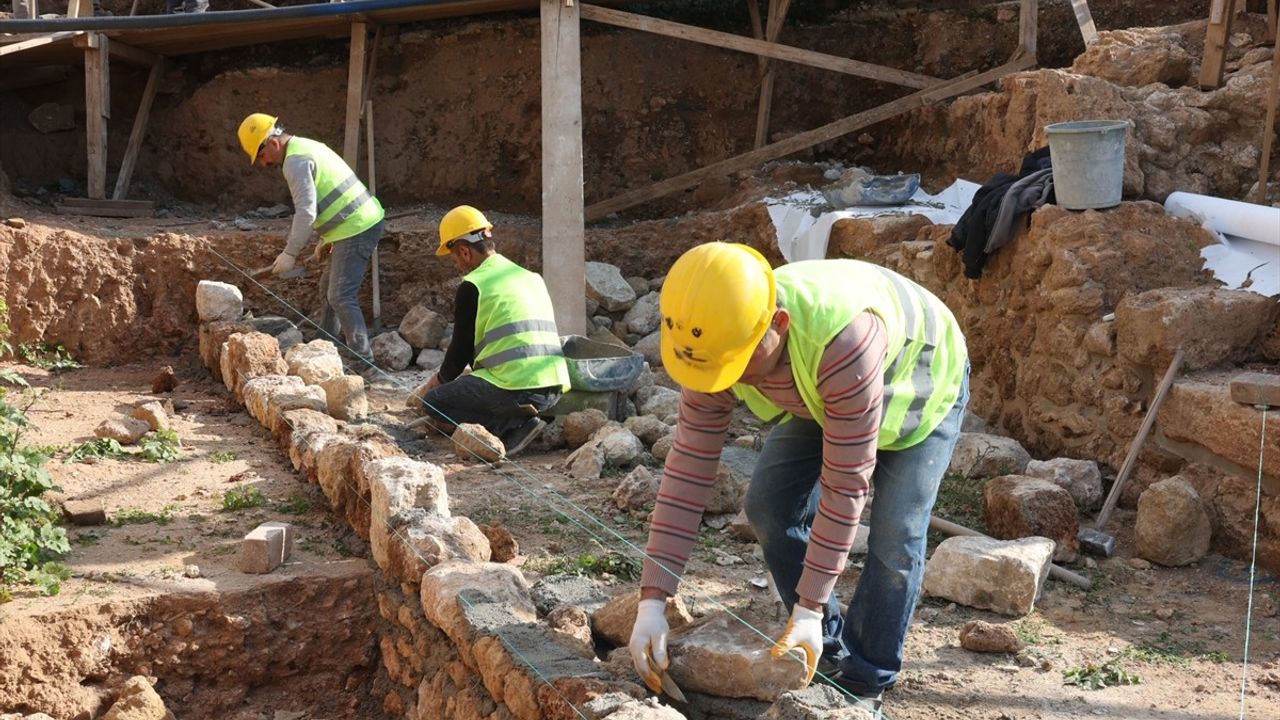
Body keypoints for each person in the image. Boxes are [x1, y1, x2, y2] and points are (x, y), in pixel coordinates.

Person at [628, 242, 969, 715]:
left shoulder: (843, 342)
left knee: (896, 535)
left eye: (739, 365)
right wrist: (653, 599)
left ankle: (865, 678)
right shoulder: (715, 343)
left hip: (918, 381)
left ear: (778, 325)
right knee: (769, 505)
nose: (731, 380)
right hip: (820, 389)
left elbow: (845, 485)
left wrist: (807, 602)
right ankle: (822, 644)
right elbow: (688, 468)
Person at [407, 205, 569, 457]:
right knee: (469, 388)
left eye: (456, 257)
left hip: (517, 388)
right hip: (553, 387)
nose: (457, 264)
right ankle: (525, 416)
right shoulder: (530, 276)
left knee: (436, 402)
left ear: (464, 250)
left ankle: (514, 428)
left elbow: (458, 354)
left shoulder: (474, 285)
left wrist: (432, 387)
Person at [237, 113, 384, 365]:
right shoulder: (305, 146)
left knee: (340, 294)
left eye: (261, 156)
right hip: (353, 223)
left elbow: (306, 210)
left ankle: (364, 362)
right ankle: (324, 345)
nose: (263, 164)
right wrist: (325, 239)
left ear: (272, 143)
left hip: (357, 226)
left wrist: (291, 252)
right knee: (329, 289)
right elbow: (329, 195)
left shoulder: (295, 161)